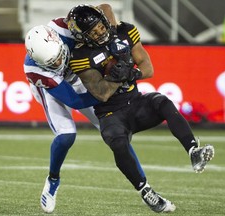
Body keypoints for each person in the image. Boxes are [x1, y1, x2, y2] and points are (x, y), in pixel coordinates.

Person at [67, 4, 215, 213]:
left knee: (162, 101)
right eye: (93, 32)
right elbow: (101, 93)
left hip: (136, 103)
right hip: (111, 113)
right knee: (117, 142)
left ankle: (193, 150)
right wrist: (121, 73)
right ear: (84, 36)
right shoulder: (81, 55)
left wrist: (132, 72)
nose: (100, 32)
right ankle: (146, 191)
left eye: (100, 26)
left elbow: (147, 68)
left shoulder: (123, 32)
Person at [23, 4, 146, 214]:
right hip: (56, 88)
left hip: (80, 76)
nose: (61, 61)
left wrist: (114, 32)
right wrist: (111, 86)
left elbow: (102, 10)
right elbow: (75, 101)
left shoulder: (66, 28)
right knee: (66, 135)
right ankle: (53, 179)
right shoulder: (36, 70)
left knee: (117, 131)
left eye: (61, 56)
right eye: (53, 62)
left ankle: (144, 187)